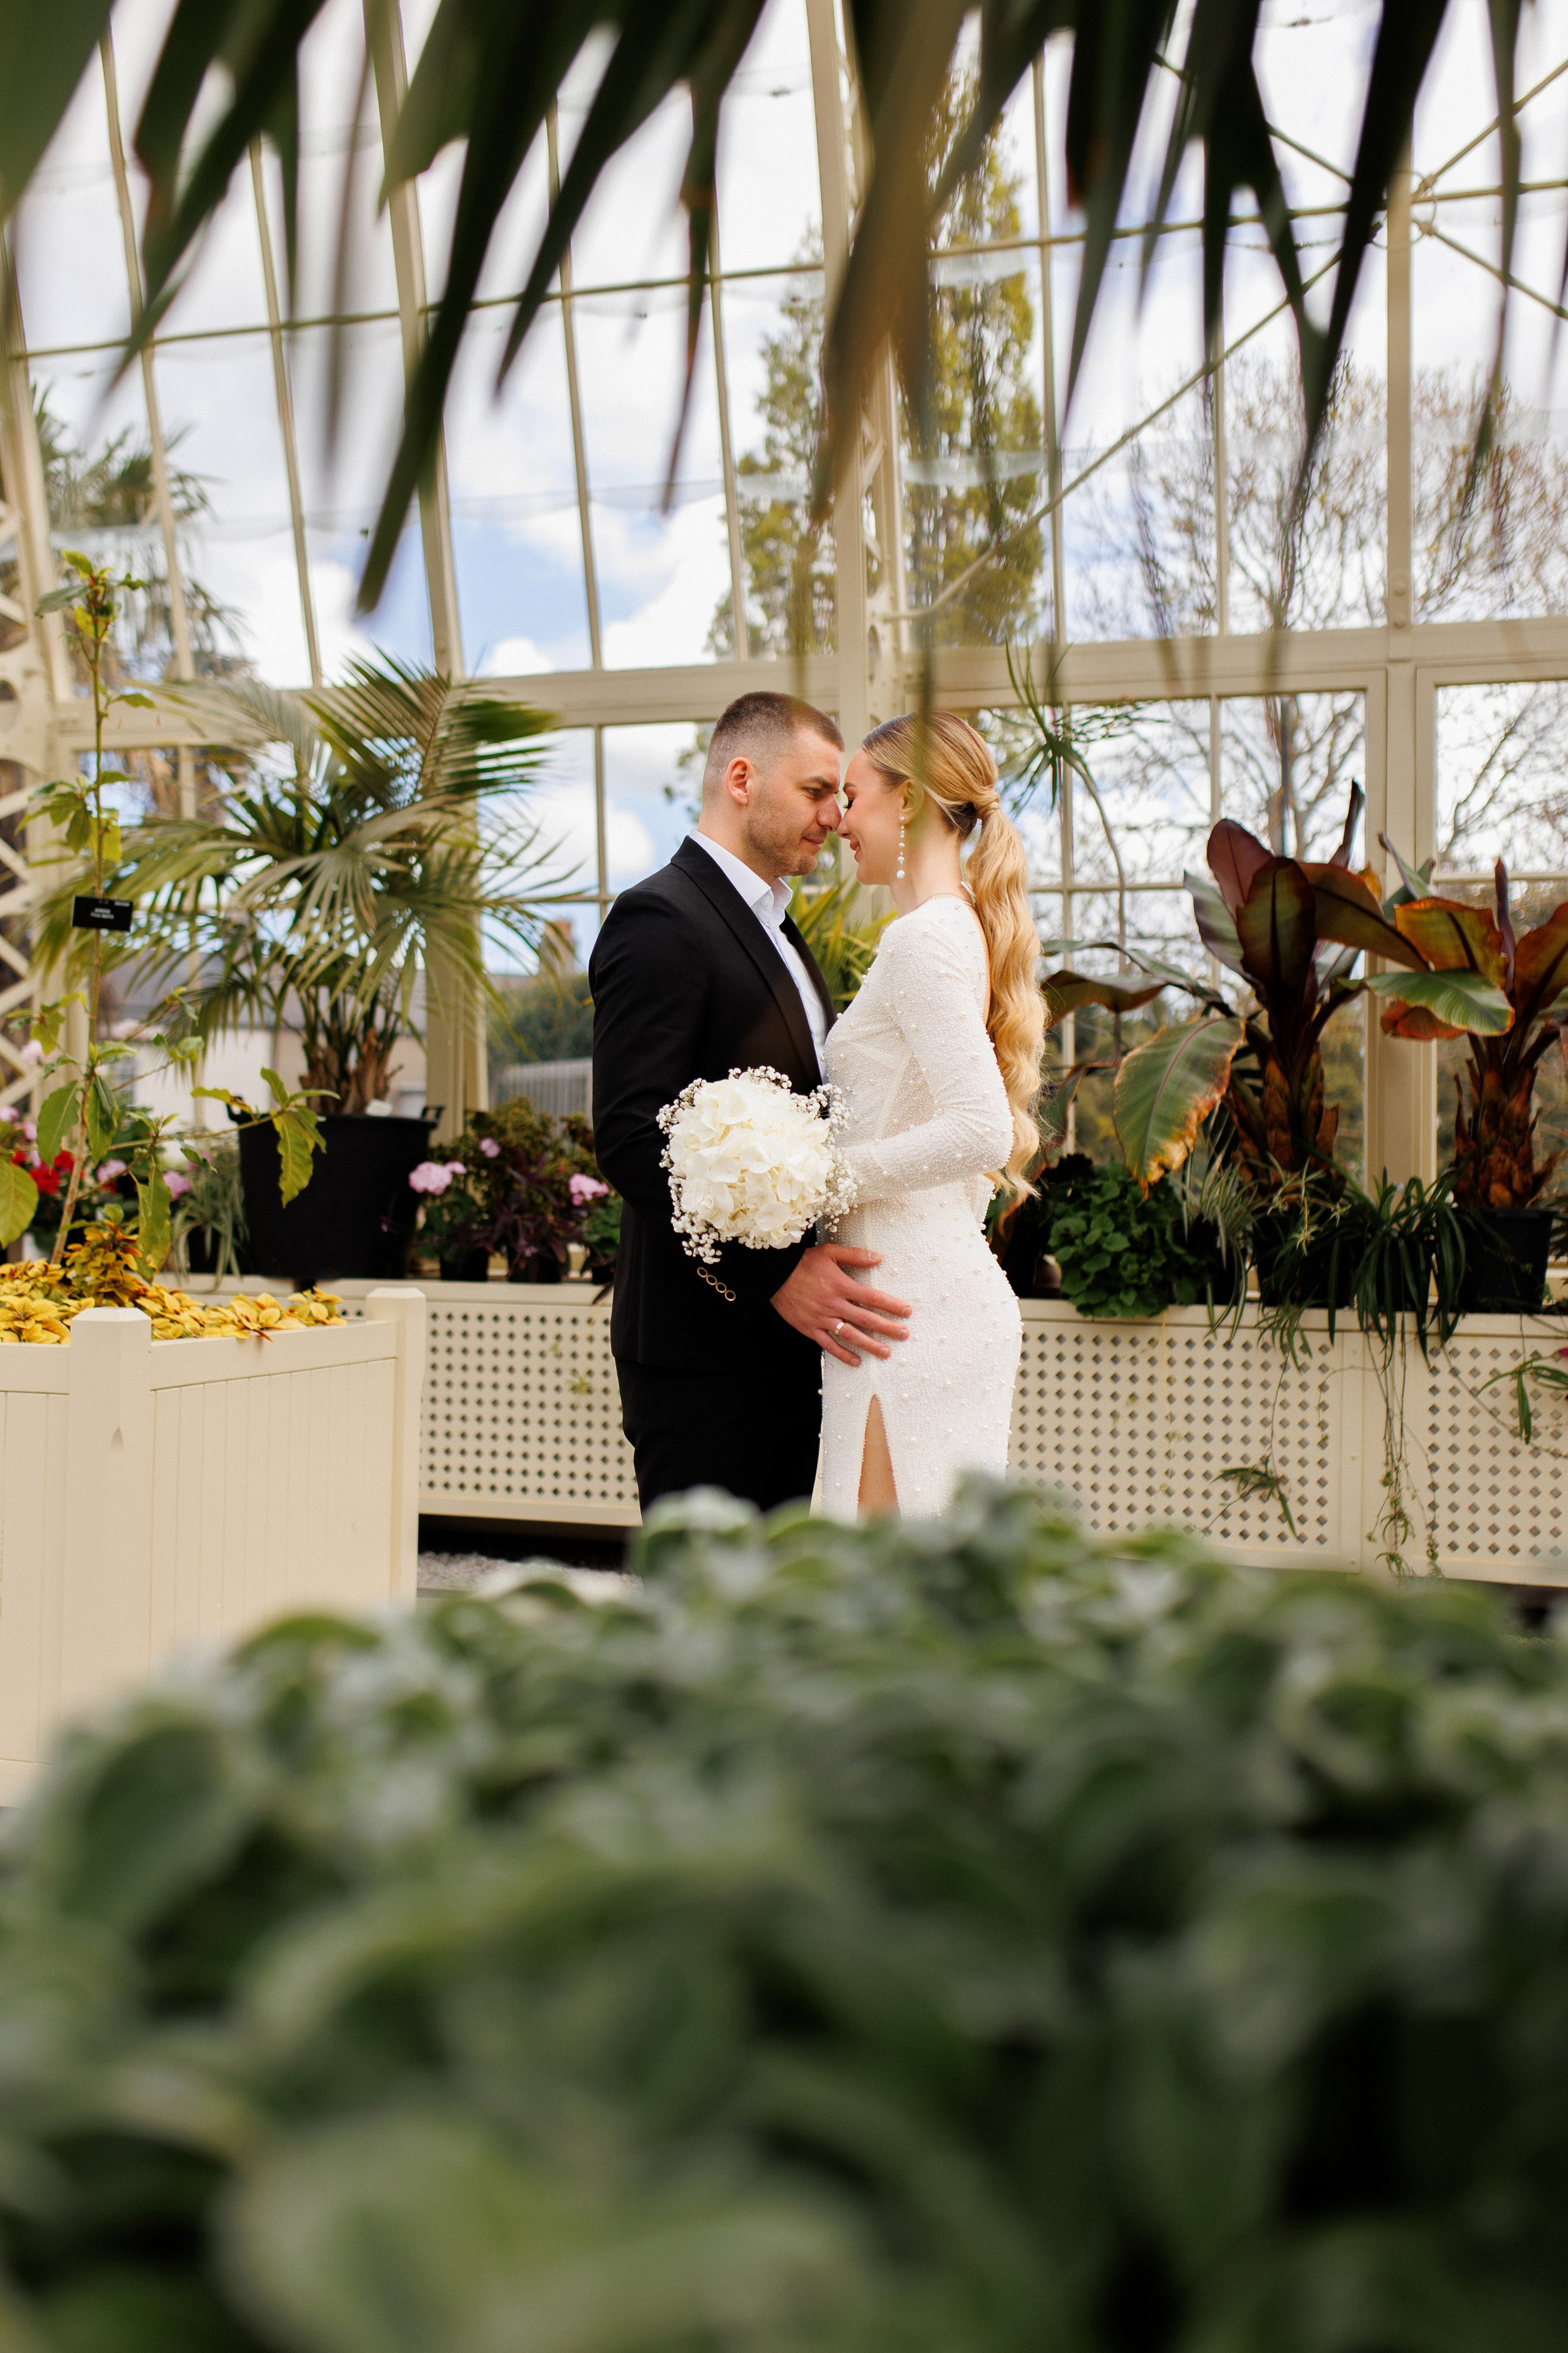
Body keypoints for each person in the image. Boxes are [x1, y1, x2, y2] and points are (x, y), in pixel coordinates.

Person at [590, 690, 914, 1514]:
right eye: (815, 791)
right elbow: (630, 1135)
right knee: (706, 1624)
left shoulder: (779, 929)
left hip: (789, 1354)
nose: (834, 817)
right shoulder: (660, 917)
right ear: (742, 778)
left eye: (841, 797)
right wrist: (770, 1277)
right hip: (703, 1357)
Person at [821, 712, 1044, 1517]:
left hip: (907, 1313)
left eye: (853, 796)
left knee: (889, 1605)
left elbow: (980, 1129)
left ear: (909, 800)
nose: (840, 821)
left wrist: (828, 1176)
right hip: (906, 1298)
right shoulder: (951, 929)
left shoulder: (924, 938)